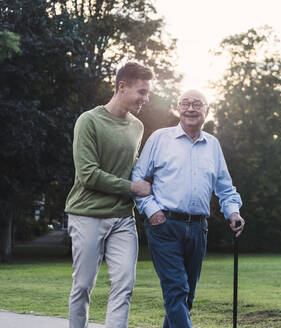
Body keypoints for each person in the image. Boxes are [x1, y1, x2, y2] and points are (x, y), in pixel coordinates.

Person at [132, 89, 245, 328]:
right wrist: (152, 211)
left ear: (207, 111)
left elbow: (225, 187)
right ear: (178, 108)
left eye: (197, 104)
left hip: (197, 229)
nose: (190, 108)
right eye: (185, 103)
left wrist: (233, 212)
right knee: (177, 290)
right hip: (165, 226)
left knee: (185, 297)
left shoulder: (212, 145)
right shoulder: (160, 139)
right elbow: (138, 179)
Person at [65, 62, 154, 328]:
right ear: (122, 87)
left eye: (147, 93)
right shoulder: (89, 121)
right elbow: (88, 174)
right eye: (141, 92)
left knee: (124, 284)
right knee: (83, 286)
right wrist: (131, 187)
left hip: (123, 218)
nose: (145, 99)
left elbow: (134, 170)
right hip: (87, 215)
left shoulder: (137, 127)